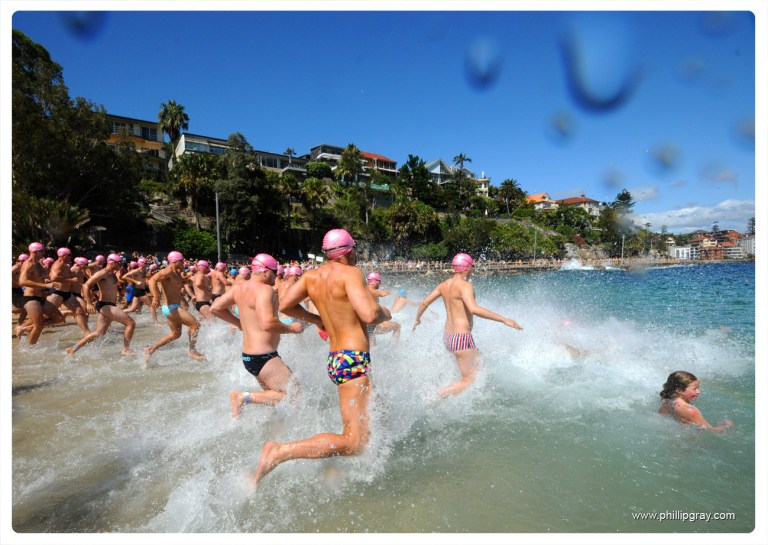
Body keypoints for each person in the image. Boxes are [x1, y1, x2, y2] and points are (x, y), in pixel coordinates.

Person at [251, 228, 391, 488]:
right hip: (353, 358)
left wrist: (317, 319)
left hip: (337, 359)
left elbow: (286, 306)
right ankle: (280, 452)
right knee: (354, 442)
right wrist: (385, 312)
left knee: (377, 413)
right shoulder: (351, 273)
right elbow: (369, 315)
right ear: (348, 251)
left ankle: (349, 468)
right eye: (356, 247)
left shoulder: (311, 276)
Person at [210, 253, 309, 419]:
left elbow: (215, 307)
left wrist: (238, 323)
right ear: (264, 272)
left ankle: (274, 429)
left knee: (275, 397)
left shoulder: (239, 288)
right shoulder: (265, 290)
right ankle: (243, 397)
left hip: (249, 357)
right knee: (295, 396)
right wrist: (291, 328)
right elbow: (268, 323)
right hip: (264, 356)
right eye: (274, 271)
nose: (277, 275)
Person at [413, 252, 523, 398]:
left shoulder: (444, 285)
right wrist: (504, 319)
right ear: (466, 268)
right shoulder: (465, 286)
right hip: (461, 338)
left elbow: (424, 302)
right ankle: (435, 396)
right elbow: (474, 309)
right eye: (471, 267)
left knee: (479, 361)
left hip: (449, 337)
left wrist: (417, 319)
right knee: (469, 379)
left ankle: (474, 395)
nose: (472, 270)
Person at [67, 253, 135, 356]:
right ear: (112, 262)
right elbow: (86, 285)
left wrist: (122, 291)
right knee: (131, 323)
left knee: (99, 333)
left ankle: (73, 348)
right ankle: (125, 349)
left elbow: (111, 288)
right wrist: (89, 303)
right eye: (119, 263)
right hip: (104, 305)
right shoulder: (103, 273)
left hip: (110, 304)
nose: (121, 265)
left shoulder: (112, 274)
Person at [144, 250, 206, 364]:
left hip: (173, 307)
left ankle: (151, 349)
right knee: (195, 325)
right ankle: (192, 350)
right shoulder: (167, 271)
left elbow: (178, 285)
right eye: (182, 260)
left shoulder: (176, 273)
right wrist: (156, 297)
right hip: (170, 307)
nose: (184, 262)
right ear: (175, 261)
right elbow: (152, 280)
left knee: (175, 334)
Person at [18, 242, 65, 345]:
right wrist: (45, 286)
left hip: (41, 297)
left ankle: (24, 328)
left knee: (59, 318)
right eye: (42, 250)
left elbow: (41, 278)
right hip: (31, 298)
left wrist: (47, 284)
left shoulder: (38, 263)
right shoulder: (28, 264)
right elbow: (22, 281)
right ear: (35, 252)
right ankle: (30, 349)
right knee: (39, 325)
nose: (44, 252)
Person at [658, 371, 734, 431]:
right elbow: (712, 430)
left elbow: (661, 419)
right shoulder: (689, 410)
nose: (699, 391)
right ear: (679, 390)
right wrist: (726, 426)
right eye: (694, 389)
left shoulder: (668, 402)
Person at [46, 247, 90, 336]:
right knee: (44, 315)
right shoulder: (58, 265)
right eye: (69, 255)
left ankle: (87, 333)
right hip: (57, 292)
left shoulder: (65, 265)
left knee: (79, 312)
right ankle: (26, 327)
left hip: (66, 293)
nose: (71, 257)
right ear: (62, 255)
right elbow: (54, 277)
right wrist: (71, 280)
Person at [366, 271, 401, 345]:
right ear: (375, 282)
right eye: (379, 282)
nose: (380, 284)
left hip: (366, 324)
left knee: (373, 347)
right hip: (371, 324)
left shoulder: (362, 290)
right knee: (397, 326)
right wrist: (383, 293)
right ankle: (394, 350)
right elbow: (376, 292)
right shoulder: (371, 290)